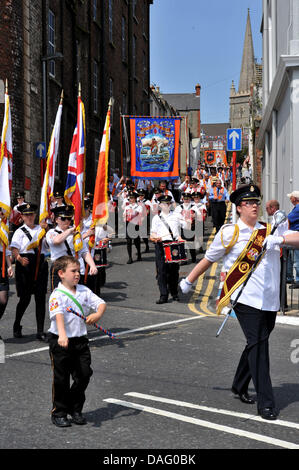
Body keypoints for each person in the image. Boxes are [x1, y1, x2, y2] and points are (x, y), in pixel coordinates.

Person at [180, 184, 299, 420]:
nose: (254, 206)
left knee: (258, 340)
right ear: (239, 208)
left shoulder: (270, 229)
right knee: (259, 345)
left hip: (269, 298)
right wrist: (189, 281)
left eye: (256, 202)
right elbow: (208, 259)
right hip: (244, 298)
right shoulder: (229, 232)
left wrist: (279, 240)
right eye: (249, 203)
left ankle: (239, 383)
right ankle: (266, 402)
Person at [48, 255, 106, 427]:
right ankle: (58, 412)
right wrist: (63, 335)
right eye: (73, 271)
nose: (77, 274)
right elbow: (58, 315)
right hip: (61, 341)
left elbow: (101, 303)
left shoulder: (83, 290)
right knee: (61, 379)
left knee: (84, 374)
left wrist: (97, 314)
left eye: (79, 270)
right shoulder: (57, 294)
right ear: (61, 273)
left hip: (80, 341)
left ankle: (74, 407)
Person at [10, 203, 49, 341]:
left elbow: (49, 245)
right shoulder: (19, 231)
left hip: (40, 264)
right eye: (27, 215)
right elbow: (14, 248)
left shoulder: (42, 229)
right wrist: (19, 259)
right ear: (22, 216)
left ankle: (40, 331)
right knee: (25, 299)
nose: (30, 217)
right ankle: (16, 324)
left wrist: (47, 231)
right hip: (25, 264)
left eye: (32, 214)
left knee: (40, 298)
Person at [46, 205, 98, 290]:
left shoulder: (76, 233)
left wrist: (92, 265)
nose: (66, 221)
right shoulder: (52, 232)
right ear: (56, 220)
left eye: (69, 218)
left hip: (74, 268)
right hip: (60, 267)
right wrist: (69, 231)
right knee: (59, 297)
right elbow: (57, 240)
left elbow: (84, 251)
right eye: (63, 219)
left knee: (76, 296)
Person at [150, 194, 188, 304]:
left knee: (174, 271)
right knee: (162, 271)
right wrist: (154, 238)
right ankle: (163, 295)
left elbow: (186, 226)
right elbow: (152, 234)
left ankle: (174, 292)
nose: (166, 205)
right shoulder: (156, 218)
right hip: (161, 245)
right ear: (160, 205)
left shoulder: (176, 216)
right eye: (164, 204)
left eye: (168, 203)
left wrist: (189, 219)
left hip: (173, 245)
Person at [0, 210, 14, 337]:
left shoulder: (3, 225)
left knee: (3, 300)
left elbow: (6, 248)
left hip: (1, 260)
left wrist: (10, 266)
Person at [123, 191, 143, 264]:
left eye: (132, 198)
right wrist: (125, 217)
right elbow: (124, 215)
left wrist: (132, 214)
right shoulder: (127, 207)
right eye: (130, 198)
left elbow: (139, 215)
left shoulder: (139, 207)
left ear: (135, 199)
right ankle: (130, 258)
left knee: (136, 241)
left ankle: (139, 253)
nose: (131, 200)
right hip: (128, 225)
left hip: (135, 225)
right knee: (128, 242)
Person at [286, 191, 299, 288]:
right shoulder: (296, 208)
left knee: (296, 259)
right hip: (293, 234)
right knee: (292, 258)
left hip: (295, 235)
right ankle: (290, 277)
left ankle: (298, 280)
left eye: (291, 197)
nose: (290, 199)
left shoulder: (297, 209)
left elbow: (288, 219)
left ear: (295, 198)